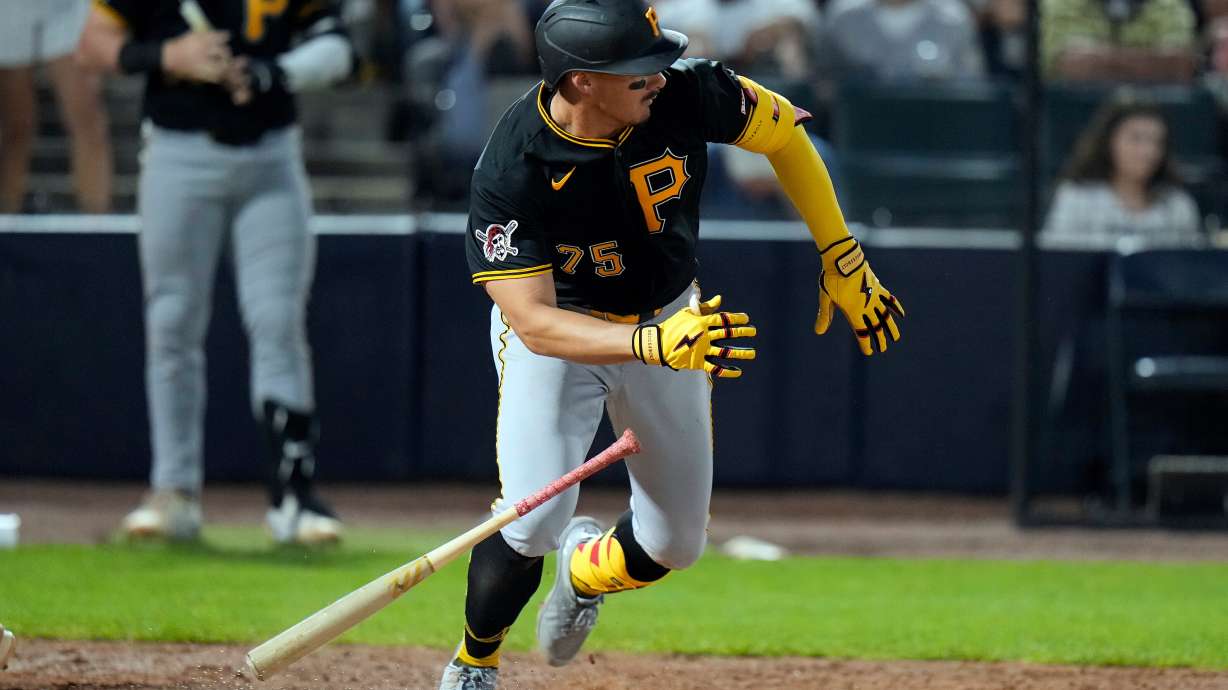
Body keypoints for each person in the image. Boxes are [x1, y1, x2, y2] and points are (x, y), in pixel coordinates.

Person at [437, 1, 905, 688]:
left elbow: (786, 140)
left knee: (674, 543)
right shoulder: (513, 166)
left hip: (667, 319)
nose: (659, 77)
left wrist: (840, 255)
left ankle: (585, 569)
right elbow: (532, 321)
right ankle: (474, 661)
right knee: (531, 519)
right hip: (564, 336)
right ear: (581, 83)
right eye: (637, 71)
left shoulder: (688, 89)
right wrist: (650, 342)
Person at [77, 0, 354, 544]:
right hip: (179, 151)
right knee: (172, 323)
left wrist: (274, 72)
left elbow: (338, 48)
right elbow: (91, 42)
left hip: (271, 155)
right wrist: (165, 55)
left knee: (278, 321)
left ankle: (294, 496)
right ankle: (173, 491)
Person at [1042, 94, 1202, 247]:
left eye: (1156, 142)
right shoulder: (1076, 198)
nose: (1148, 151)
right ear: (1108, 141)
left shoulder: (1178, 205)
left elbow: (1193, 268)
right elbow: (1055, 265)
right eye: (1136, 139)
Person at [0, 0, 112, 213]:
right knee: (15, 127)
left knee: (87, 118)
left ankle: (97, 229)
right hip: (7, 10)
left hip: (65, 8)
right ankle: (5, 221)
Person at [817, 0, 985, 82]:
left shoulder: (953, 19)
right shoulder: (843, 18)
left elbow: (971, 86)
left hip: (937, 132)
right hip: (862, 135)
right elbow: (824, 84)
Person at [1040, 0, 1197, 82]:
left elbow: (1180, 65)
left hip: (1155, 114)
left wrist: (1101, 61)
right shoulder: (1059, 2)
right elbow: (1071, 65)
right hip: (1074, 114)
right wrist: (1153, 62)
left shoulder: (1169, 3)